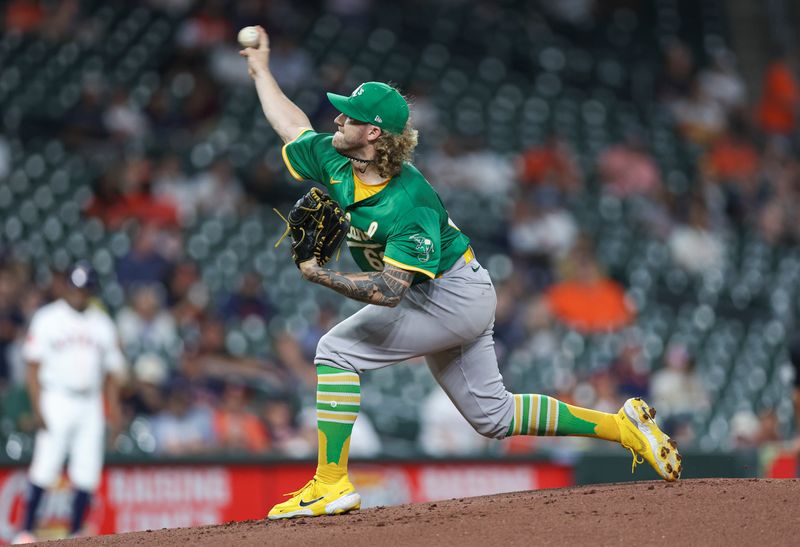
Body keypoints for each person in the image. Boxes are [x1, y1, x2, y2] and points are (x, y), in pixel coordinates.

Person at [240, 26, 682, 521]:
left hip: (453, 295)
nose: (338, 118)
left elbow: (388, 292)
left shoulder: (409, 202)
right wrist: (260, 71)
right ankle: (623, 428)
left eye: (351, 116)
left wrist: (319, 274)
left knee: (335, 351)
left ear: (374, 133)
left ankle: (330, 483)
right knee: (493, 416)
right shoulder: (338, 158)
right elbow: (291, 126)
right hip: (437, 295)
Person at [14, 264, 124, 543]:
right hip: (57, 397)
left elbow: (111, 373)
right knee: (45, 465)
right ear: (66, 287)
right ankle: (25, 530)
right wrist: (38, 407)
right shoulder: (48, 318)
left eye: (85, 288)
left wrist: (114, 411)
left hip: (90, 401)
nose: (79, 294)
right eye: (75, 288)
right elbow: (32, 367)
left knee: (87, 470)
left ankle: (75, 531)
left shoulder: (102, 323)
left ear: (92, 290)